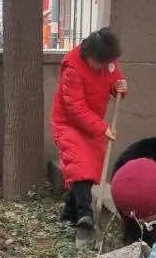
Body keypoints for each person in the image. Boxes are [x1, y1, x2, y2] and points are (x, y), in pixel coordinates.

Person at [51, 28, 128, 229]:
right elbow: (75, 108)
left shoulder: (106, 60)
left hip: (92, 125)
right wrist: (102, 128)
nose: (105, 67)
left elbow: (114, 79)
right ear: (89, 55)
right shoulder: (72, 69)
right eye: (101, 63)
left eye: (107, 63)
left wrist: (120, 87)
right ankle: (85, 216)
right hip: (68, 124)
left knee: (87, 171)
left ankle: (68, 217)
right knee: (81, 166)